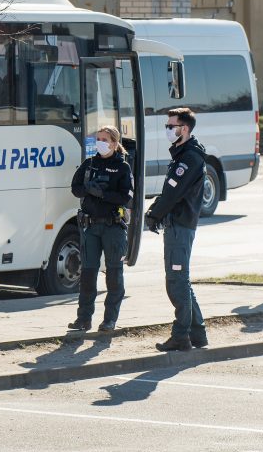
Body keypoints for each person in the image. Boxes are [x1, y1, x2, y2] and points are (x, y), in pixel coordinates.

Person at [145, 107, 208, 352]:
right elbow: (172, 191)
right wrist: (158, 211)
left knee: (176, 281)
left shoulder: (189, 157)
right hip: (178, 223)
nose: (168, 130)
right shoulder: (184, 154)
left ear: (185, 129)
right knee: (181, 281)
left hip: (180, 225)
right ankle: (198, 333)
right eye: (167, 126)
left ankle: (181, 335)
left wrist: (154, 213)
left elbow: (173, 192)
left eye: (171, 126)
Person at [67, 125, 134, 333]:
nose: (100, 142)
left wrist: (103, 194)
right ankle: (83, 319)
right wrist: (87, 189)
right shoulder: (90, 164)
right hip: (90, 226)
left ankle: (109, 320)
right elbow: (75, 188)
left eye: (105, 139)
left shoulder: (122, 167)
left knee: (113, 274)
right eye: (98, 138)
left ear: (114, 143)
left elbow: (126, 197)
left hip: (112, 227)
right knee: (87, 274)